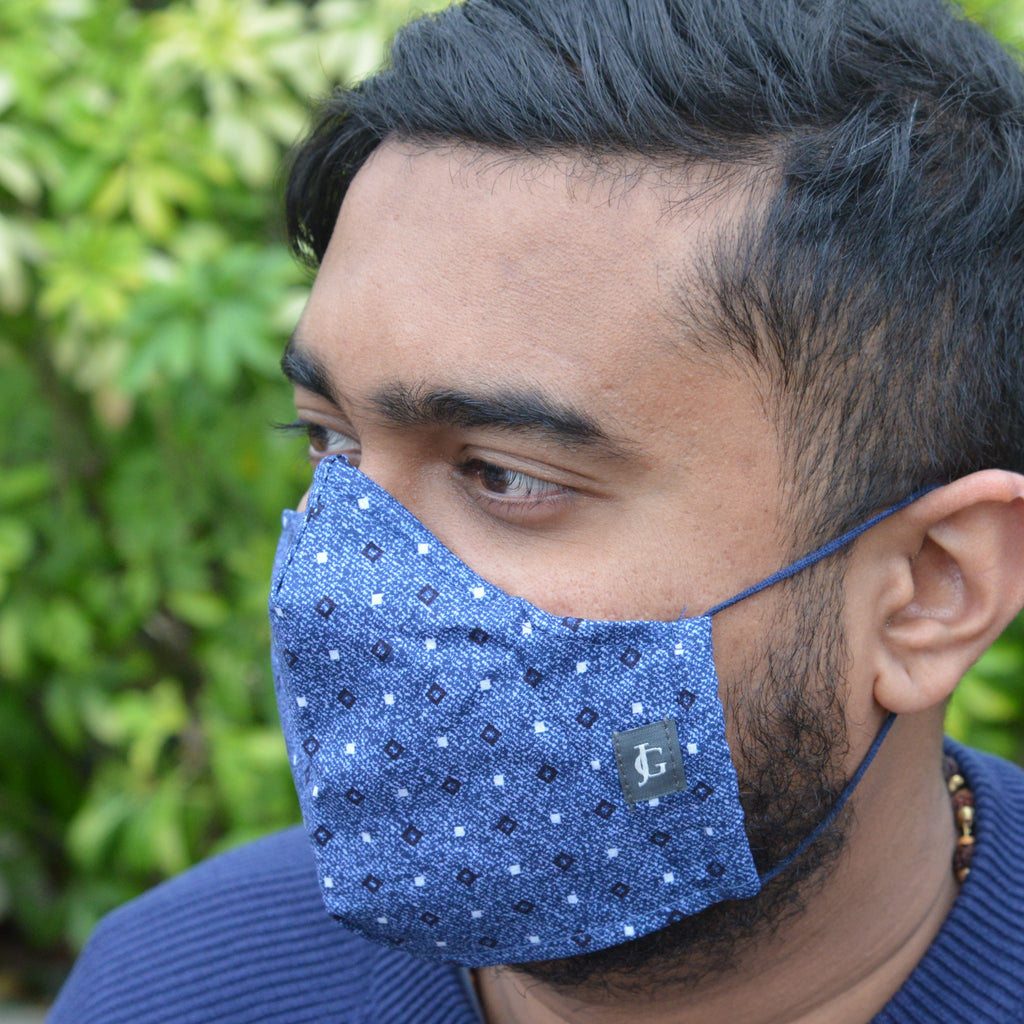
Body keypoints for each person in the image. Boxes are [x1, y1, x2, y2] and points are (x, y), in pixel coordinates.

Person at [47, 0, 1024, 1021]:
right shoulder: (167, 988)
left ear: (932, 587)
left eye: (504, 475)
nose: (335, 591)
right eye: (330, 441)